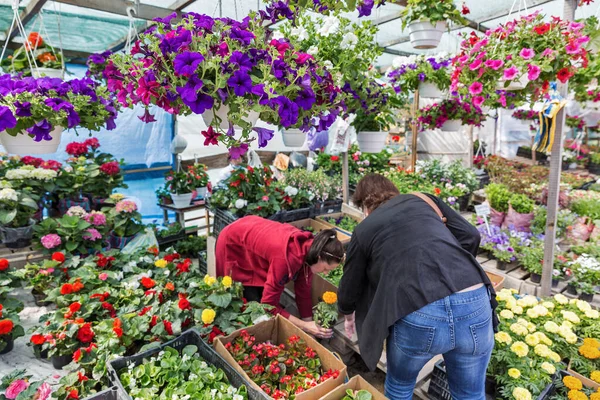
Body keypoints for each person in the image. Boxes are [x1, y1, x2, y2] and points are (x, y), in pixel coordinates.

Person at [337, 174, 498, 400]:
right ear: (394, 191)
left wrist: (347, 313)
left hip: (419, 311)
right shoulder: (424, 200)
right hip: (473, 300)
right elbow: (471, 234)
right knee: (470, 394)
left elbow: (350, 284)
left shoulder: (365, 229)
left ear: (364, 206)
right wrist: (450, 268)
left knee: (400, 387)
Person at [216, 216, 344, 338]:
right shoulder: (285, 259)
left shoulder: (311, 251)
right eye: (326, 269)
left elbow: (303, 291)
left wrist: (311, 327)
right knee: (244, 300)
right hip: (233, 243)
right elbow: (268, 306)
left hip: (251, 233)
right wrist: (305, 326)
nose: (326, 273)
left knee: (261, 295)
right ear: (319, 257)